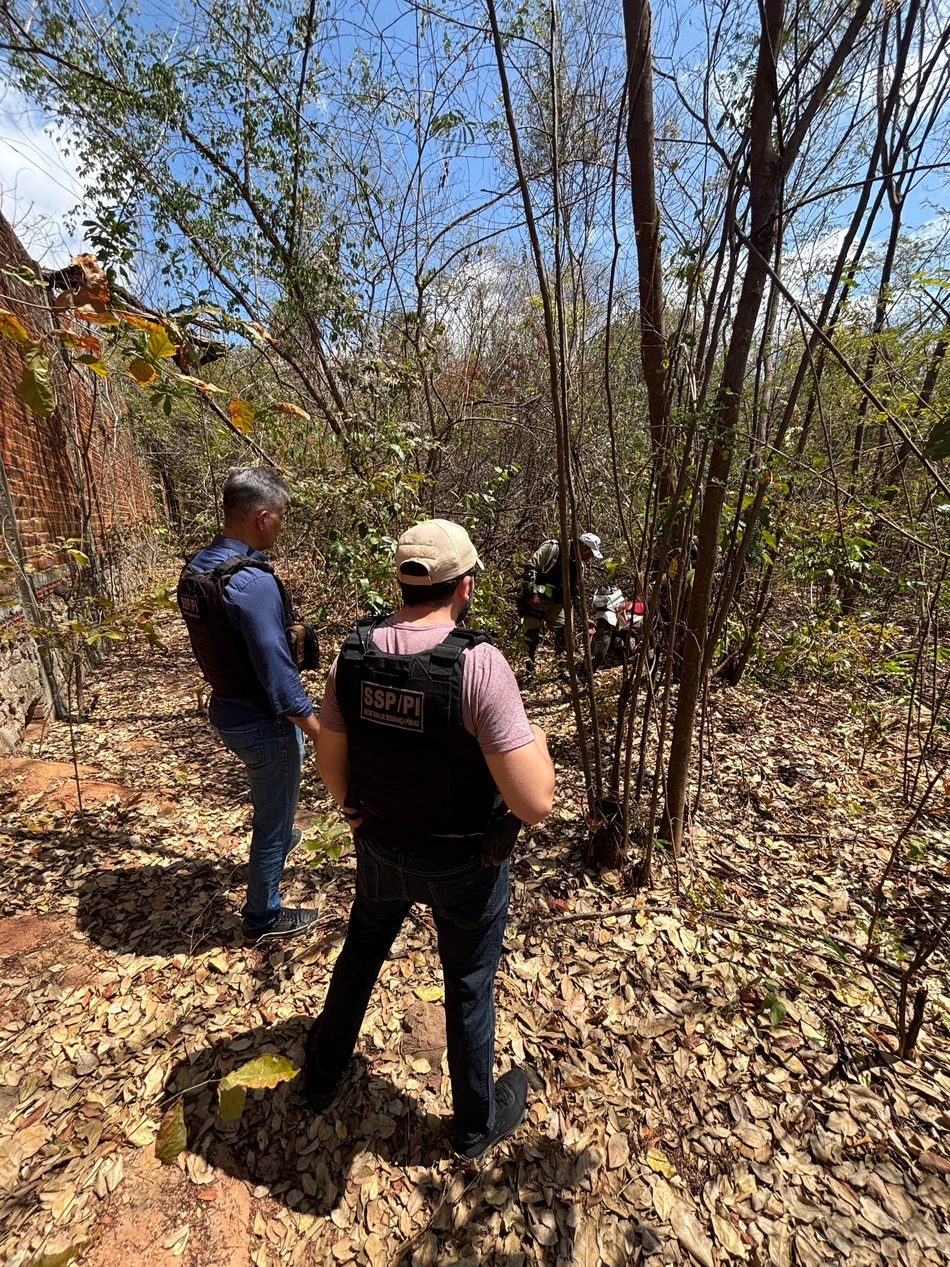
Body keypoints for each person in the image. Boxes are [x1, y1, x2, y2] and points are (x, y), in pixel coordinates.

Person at [307, 519, 555, 1159]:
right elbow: (535, 803)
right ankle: (474, 1126)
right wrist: (543, 749)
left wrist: (350, 809)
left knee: (361, 951)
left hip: (382, 846)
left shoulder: (353, 656)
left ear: (400, 582)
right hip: (463, 863)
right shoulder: (480, 666)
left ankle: (321, 1074)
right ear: (464, 587)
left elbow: (329, 758)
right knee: (469, 981)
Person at [177, 467, 320, 946]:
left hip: (228, 711)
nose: (282, 525)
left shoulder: (198, 568)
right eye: (280, 516)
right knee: (274, 818)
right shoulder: (250, 583)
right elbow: (279, 677)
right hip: (263, 722)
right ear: (261, 518)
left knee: (273, 804)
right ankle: (263, 915)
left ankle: (279, 842)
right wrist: (318, 729)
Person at [521, 532, 603, 681]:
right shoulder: (552, 548)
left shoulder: (579, 566)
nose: (589, 558)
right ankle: (530, 671)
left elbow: (576, 592)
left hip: (557, 603)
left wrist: (584, 618)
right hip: (536, 600)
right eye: (589, 553)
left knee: (565, 634)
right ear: (583, 547)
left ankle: (562, 670)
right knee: (531, 636)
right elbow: (530, 567)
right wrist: (533, 592)